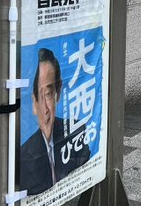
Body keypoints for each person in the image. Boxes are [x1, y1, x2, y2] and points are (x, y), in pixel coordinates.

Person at [20, 47, 91, 196]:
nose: (45, 108)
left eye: (49, 94)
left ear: (57, 95)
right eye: (41, 96)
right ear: (34, 103)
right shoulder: (24, 155)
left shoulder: (76, 131)